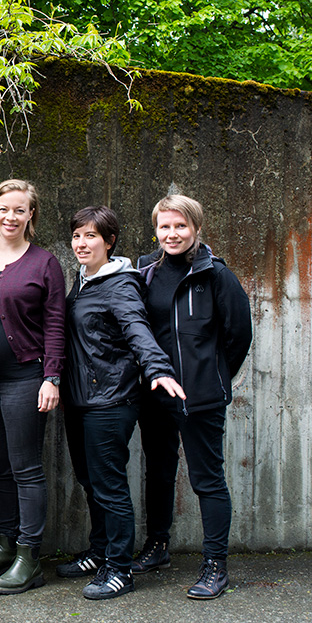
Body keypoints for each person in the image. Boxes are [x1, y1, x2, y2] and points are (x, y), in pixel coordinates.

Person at [58, 205, 186, 600]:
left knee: (109, 485)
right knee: (89, 480)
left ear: (109, 242)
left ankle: (119, 568)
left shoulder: (121, 284)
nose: (82, 243)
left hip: (110, 401)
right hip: (79, 398)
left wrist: (159, 369)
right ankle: (100, 552)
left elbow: (137, 330)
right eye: (78, 235)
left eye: (91, 236)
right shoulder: (83, 281)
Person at [130, 194, 252, 599]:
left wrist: (210, 378)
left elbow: (238, 336)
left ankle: (215, 565)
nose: (172, 234)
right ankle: (158, 546)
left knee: (207, 479)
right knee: (159, 470)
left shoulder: (216, 274)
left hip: (198, 397)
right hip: (154, 393)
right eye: (165, 226)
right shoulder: (145, 269)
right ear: (156, 229)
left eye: (180, 226)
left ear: (196, 228)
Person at [0, 179, 65, 594]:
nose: (10, 217)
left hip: (25, 378)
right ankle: (5, 545)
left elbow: (56, 323)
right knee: (1, 468)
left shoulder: (44, 263)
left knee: (26, 468)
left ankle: (29, 556)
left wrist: (51, 377)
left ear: (31, 215)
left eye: (20, 210)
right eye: (4, 209)